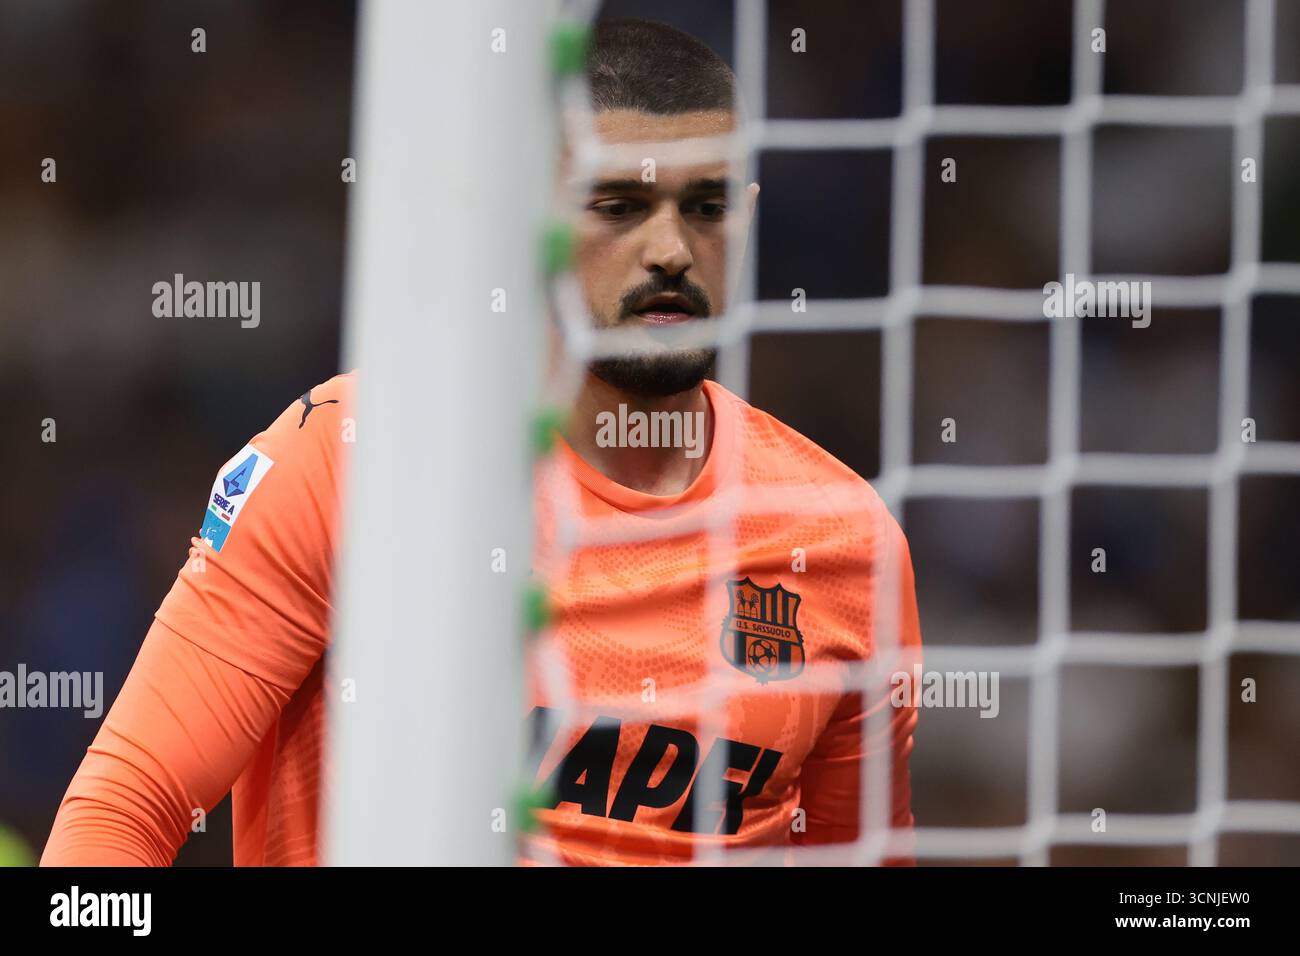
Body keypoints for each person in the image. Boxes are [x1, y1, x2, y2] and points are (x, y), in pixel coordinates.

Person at [42, 17, 922, 867]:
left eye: (706, 206)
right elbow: (119, 817)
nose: (670, 251)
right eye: (619, 204)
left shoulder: (843, 543)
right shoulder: (358, 459)